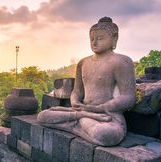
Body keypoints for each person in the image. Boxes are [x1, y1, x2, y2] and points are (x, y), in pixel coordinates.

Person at [37, 17, 136, 146]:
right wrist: (75, 101)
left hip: (107, 117)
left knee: (106, 134)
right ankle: (81, 118)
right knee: (42, 116)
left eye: (100, 39)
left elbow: (128, 97)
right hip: (82, 111)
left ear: (114, 39)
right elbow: (77, 91)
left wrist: (102, 107)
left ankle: (77, 121)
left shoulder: (122, 62)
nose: (94, 43)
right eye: (92, 39)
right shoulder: (83, 63)